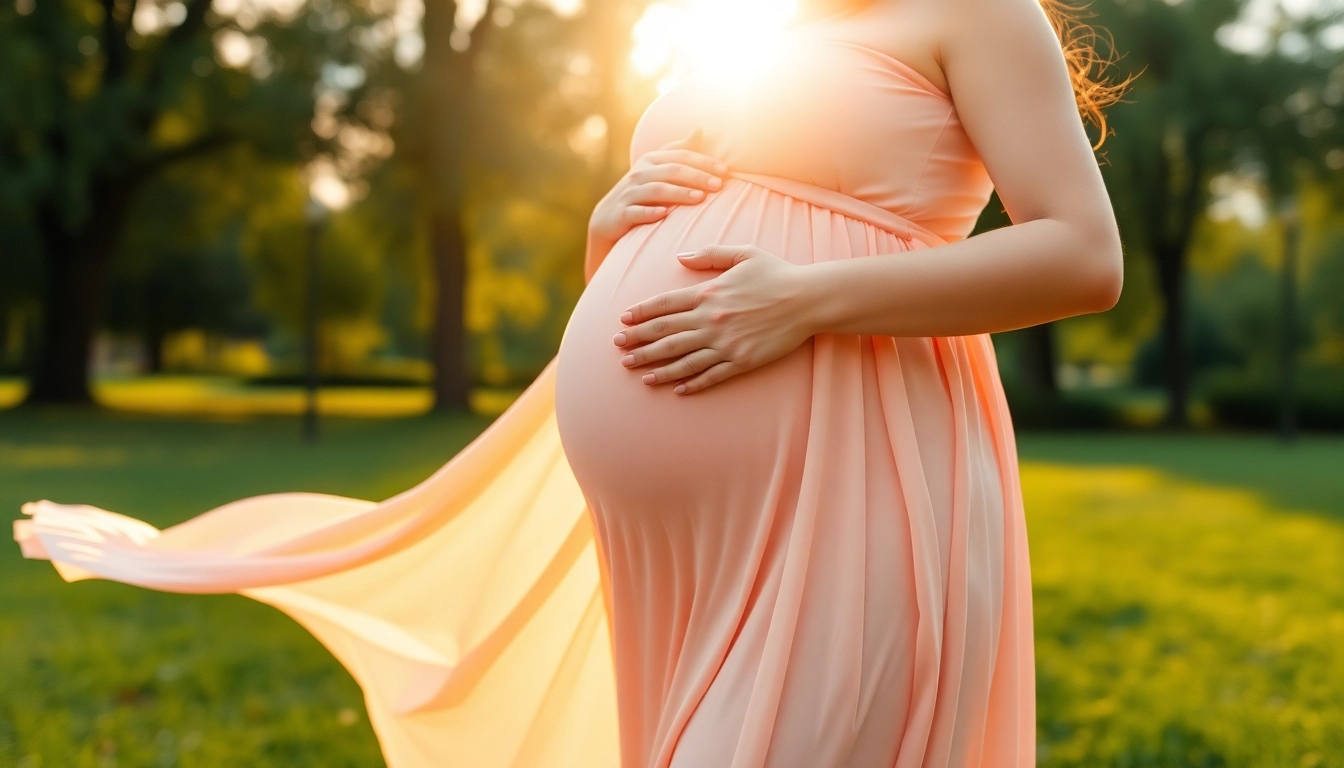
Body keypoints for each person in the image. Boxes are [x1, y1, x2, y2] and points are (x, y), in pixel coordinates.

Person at [16, 0, 1125, 765]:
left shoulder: (975, 11)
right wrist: (610, 233)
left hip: (854, 483)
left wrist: (805, 296)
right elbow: (683, 250)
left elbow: (1084, 254)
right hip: (674, 544)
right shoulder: (743, 30)